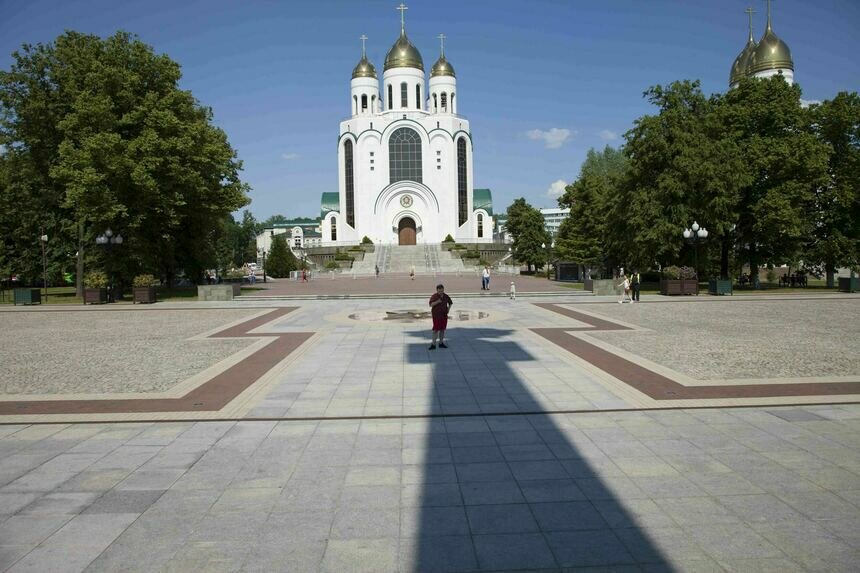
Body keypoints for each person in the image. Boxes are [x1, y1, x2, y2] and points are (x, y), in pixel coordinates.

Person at [428, 284, 453, 350]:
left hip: (444, 315)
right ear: (437, 290)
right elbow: (430, 304)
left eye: (442, 291)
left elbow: (450, 303)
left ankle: (441, 343)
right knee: (435, 330)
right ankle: (433, 344)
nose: (441, 292)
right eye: (439, 291)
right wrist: (437, 301)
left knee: (442, 329)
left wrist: (448, 309)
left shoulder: (446, 296)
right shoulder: (434, 296)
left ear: (443, 290)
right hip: (436, 315)